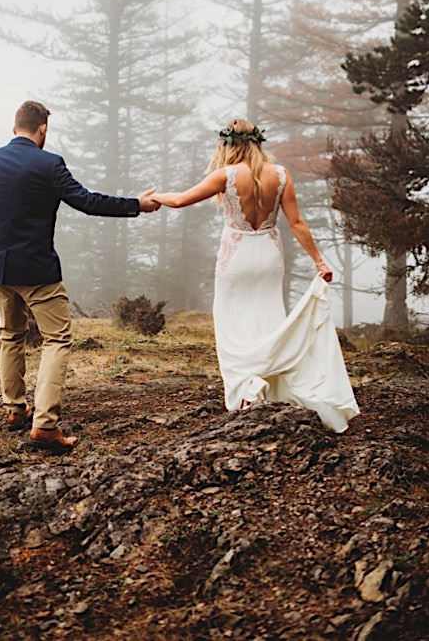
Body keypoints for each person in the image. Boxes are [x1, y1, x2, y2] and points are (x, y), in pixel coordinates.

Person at [0, 100, 161, 454]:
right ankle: (45, 426)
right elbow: (87, 201)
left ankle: (13, 410)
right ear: (42, 130)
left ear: (13, 128)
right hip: (37, 271)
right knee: (57, 340)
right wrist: (135, 205)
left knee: (11, 335)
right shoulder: (49, 164)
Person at [151, 119, 359, 433]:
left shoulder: (227, 175)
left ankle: (248, 391)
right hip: (269, 255)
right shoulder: (281, 175)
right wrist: (319, 261)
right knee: (269, 321)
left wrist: (155, 197)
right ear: (257, 143)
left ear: (229, 145)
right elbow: (297, 223)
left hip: (236, 257)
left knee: (233, 325)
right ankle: (266, 384)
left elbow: (180, 200)